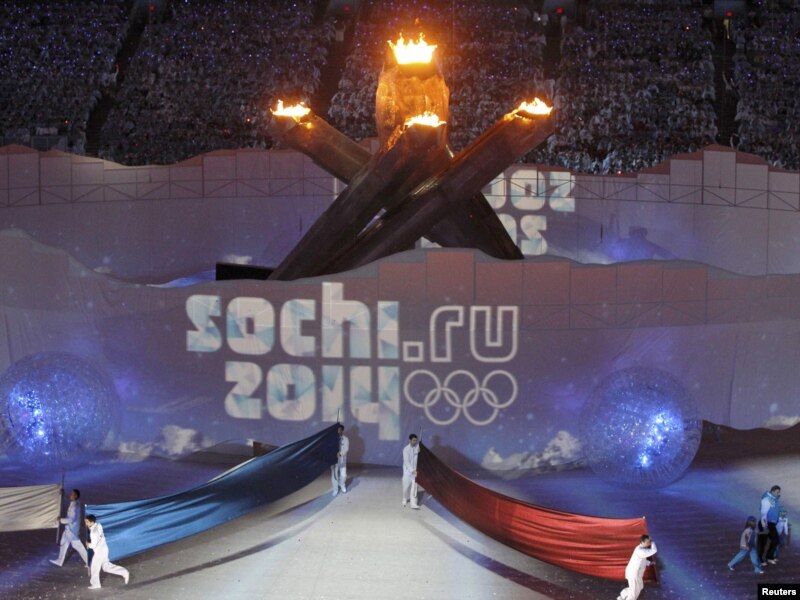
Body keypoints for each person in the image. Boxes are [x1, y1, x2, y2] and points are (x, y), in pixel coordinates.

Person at [84, 514, 129, 589]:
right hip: (104, 549)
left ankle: (96, 584)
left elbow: (93, 545)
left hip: (99, 552)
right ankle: (124, 572)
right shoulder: (98, 525)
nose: (86, 523)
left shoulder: (93, 533)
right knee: (106, 567)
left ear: (92, 522)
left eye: (87, 522)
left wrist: (88, 544)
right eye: (85, 521)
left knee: (94, 568)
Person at [50, 489, 88, 568]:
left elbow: (71, 519)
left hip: (71, 530)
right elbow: (68, 501)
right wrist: (62, 495)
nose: (70, 495)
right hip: (70, 529)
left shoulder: (74, 506)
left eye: (72, 494)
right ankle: (60, 561)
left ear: (76, 496)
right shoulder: (74, 503)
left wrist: (61, 520)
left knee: (74, 545)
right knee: (67, 543)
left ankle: (89, 561)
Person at [617, 534, 657, 600]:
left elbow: (642, 559)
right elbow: (654, 550)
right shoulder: (640, 550)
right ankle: (623, 597)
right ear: (642, 542)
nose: (649, 543)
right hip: (633, 574)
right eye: (647, 542)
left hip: (636, 573)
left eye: (649, 542)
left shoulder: (641, 549)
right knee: (634, 594)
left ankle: (622, 596)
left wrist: (650, 563)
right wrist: (652, 541)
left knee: (640, 586)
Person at [759, 485, 782, 565]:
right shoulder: (767, 499)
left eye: (779, 492)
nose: (779, 493)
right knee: (764, 542)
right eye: (777, 492)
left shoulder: (774, 499)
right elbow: (763, 513)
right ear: (772, 491)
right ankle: (763, 559)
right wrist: (764, 526)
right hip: (767, 523)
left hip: (771, 523)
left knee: (774, 540)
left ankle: (769, 557)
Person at [402, 434, 420, 509]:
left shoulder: (418, 447)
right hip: (407, 471)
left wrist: (419, 452)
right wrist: (411, 470)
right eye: (413, 440)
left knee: (414, 488)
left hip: (415, 471)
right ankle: (404, 498)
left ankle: (413, 503)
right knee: (406, 487)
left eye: (416, 440)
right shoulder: (406, 449)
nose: (415, 442)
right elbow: (406, 462)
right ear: (409, 440)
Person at [331, 424, 349, 496]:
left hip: (342, 460)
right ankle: (335, 489)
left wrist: (340, 454)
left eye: (340, 430)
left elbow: (346, 448)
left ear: (342, 430)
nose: (338, 431)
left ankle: (342, 484)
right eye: (337, 430)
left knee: (343, 475)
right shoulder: (332, 439)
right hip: (334, 460)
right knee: (334, 476)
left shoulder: (345, 439)